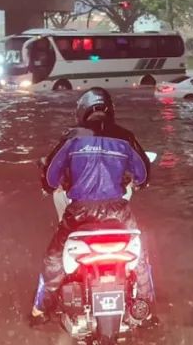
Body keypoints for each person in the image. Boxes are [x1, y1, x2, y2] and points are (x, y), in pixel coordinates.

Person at [31, 87, 155, 325]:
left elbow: (49, 178)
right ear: (109, 110)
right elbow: (143, 175)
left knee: (54, 260)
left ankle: (41, 310)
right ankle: (146, 311)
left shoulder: (72, 137)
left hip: (79, 213)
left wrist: (50, 185)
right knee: (140, 258)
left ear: (82, 111)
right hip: (119, 211)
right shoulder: (125, 137)